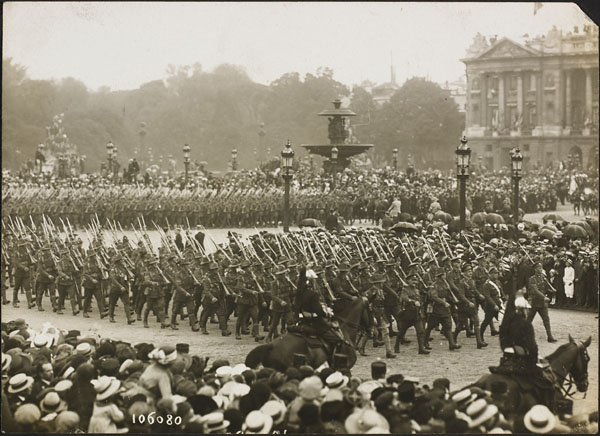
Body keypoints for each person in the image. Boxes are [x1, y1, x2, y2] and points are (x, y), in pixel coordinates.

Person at [526, 262, 557, 343]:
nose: (541, 269)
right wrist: (544, 297)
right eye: (539, 268)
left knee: (546, 319)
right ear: (535, 269)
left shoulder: (543, 278)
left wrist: (552, 290)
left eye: (541, 268)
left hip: (542, 303)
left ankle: (550, 337)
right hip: (534, 302)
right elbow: (535, 291)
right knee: (529, 320)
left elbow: (545, 288)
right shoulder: (532, 279)